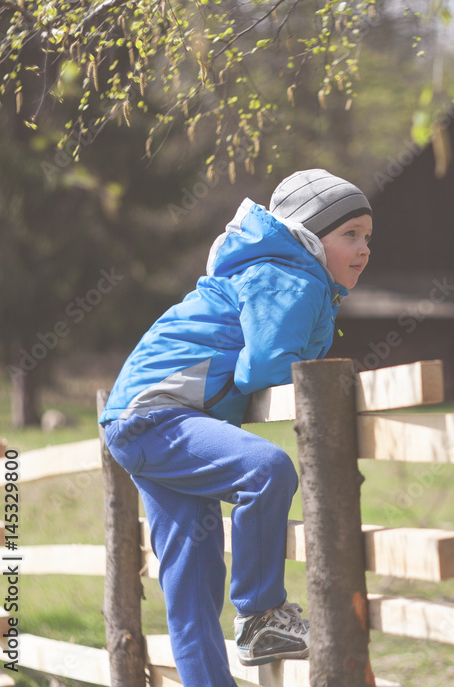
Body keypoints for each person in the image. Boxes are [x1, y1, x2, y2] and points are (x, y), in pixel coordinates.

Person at [99, 169, 373, 684]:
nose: (362, 249)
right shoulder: (290, 275)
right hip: (160, 415)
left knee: (192, 581)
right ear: (310, 238)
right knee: (266, 470)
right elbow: (264, 366)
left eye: (367, 237)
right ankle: (262, 614)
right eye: (349, 235)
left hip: (136, 419)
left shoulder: (273, 270)